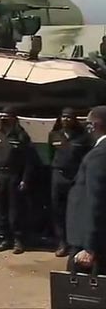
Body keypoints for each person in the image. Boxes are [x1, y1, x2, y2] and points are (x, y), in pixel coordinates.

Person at [66, 106, 106, 275]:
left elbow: (96, 200)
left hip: (91, 241)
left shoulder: (99, 155)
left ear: (94, 125)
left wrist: (90, 247)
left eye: (87, 123)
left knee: (81, 293)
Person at [48, 108, 92, 257]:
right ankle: (62, 242)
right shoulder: (53, 135)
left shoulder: (83, 138)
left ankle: (75, 243)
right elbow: (50, 155)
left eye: (69, 117)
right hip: (57, 177)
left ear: (74, 120)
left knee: (75, 211)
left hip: (75, 178)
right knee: (57, 210)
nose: (65, 120)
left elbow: (87, 158)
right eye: (63, 117)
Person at [0, 107, 33, 254]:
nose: (4, 118)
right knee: (1, 209)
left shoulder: (21, 136)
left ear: (14, 118)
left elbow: (28, 161)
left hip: (14, 176)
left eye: (7, 116)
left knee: (15, 210)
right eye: (2, 116)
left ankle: (18, 240)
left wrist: (24, 179)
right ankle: (4, 238)